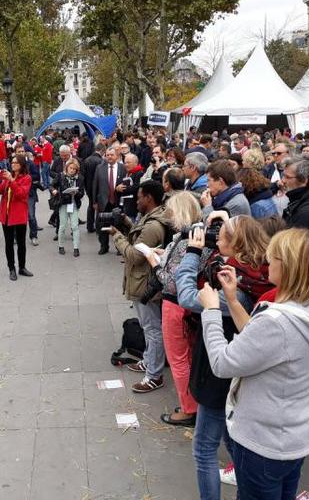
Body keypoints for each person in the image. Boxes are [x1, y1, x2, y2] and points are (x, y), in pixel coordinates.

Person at [197, 228, 309, 499]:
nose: (267, 261)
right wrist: (231, 298)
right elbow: (261, 342)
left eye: (272, 257)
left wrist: (212, 311)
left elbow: (222, 363)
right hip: (295, 434)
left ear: (288, 268)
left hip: (264, 443)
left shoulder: (277, 322)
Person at [175, 214, 272, 500]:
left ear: (237, 243)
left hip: (221, 372)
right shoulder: (256, 272)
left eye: (221, 237)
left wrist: (192, 253)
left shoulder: (237, 288)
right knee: (232, 440)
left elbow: (187, 296)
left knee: (204, 448)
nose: (215, 239)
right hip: (239, 369)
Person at [145, 192, 203, 426]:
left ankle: (188, 409)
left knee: (178, 357)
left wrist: (156, 265)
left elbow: (173, 281)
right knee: (187, 355)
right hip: (187, 306)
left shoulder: (186, 239)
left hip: (175, 304)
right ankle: (194, 403)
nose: (168, 216)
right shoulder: (195, 233)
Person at [111, 180, 171, 393]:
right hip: (143, 280)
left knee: (153, 329)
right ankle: (149, 361)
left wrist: (116, 235)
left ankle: (154, 375)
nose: (136, 201)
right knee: (149, 327)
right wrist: (126, 222)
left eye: (139, 197)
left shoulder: (154, 225)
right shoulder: (153, 218)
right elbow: (140, 237)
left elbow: (135, 256)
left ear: (149, 198)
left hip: (145, 282)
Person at [0, 155, 33, 281]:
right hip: (6, 215)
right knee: (9, 243)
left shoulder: (27, 178)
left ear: (21, 165)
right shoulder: (8, 176)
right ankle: (11, 268)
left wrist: (11, 180)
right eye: (12, 162)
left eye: (16, 162)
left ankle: (22, 267)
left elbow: (21, 194)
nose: (13, 164)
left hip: (19, 214)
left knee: (21, 243)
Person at [92, 147, 126, 255]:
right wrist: (94, 202)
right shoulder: (99, 168)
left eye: (112, 155)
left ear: (117, 156)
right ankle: (104, 246)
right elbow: (95, 185)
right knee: (103, 226)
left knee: (118, 225)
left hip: (117, 201)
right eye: (107, 155)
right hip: (104, 202)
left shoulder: (123, 168)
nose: (109, 157)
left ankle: (119, 247)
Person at [52, 158, 85, 256]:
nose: (72, 170)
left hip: (74, 204)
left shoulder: (80, 178)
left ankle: (76, 248)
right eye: (71, 168)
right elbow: (52, 185)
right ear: (67, 167)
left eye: (74, 169)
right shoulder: (60, 176)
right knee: (62, 226)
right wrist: (53, 190)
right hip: (63, 203)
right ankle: (61, 246)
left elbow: (82, 193)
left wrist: (77, 192)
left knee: (75, 226)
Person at [83, 143, 105, 233]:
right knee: (98, 206)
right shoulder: (100, 161)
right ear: (102, 150)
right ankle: (98, 225)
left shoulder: (87, 160)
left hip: (88, 187)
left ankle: (89, 225)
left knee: (91, 205)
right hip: (97, 187)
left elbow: (84, 175)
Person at [117, 153, 143, 221]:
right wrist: (117, 188)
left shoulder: (140, 173)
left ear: (135, 163)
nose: (126, 165)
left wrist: (122, 189)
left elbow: (136, 188)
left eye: (128, 162)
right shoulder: (127, 173)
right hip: (125, 207)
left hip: (133, 209)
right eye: (125, 163)